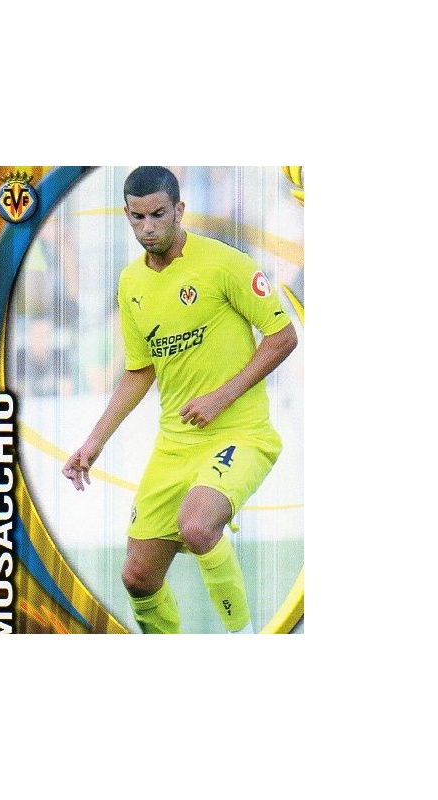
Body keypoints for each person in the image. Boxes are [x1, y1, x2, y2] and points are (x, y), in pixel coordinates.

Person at [61, 166, 298, 634]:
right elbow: (139, 371)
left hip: (240, 434)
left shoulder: (225, 263)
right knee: (138, 577)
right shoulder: (131, 284)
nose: (147, 227)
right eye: (137, 217)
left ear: (180, 210)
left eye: (158, 214)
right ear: (126, 215)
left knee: (197, 525)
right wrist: (93, 443)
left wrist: (220, 397)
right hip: (175, 445)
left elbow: (282, 336)